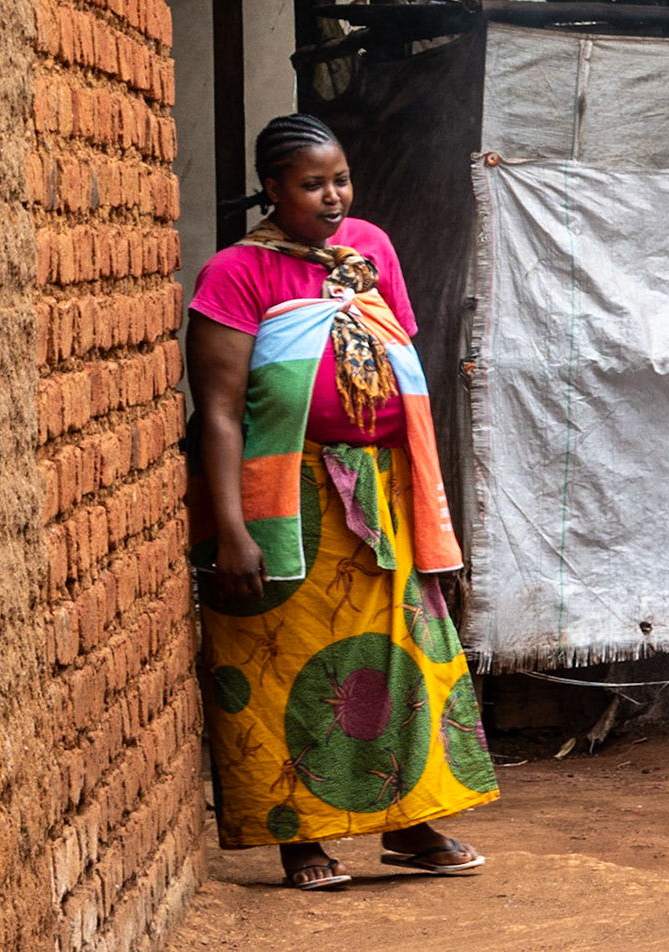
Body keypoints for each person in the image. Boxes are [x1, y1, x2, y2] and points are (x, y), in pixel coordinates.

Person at [186, 114, 498, 890]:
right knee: (291, 664)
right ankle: (302, 838)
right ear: (271, 188)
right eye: (312, 184)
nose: (333, 197)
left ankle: (410, 821)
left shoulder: (371, 250)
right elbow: (220, 411)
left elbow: (404, 363)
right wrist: (232, 531)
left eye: (341, 180)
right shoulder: (236, 273)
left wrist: (427, 494)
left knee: (401, 654)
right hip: (287, 497)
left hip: (384, 489)